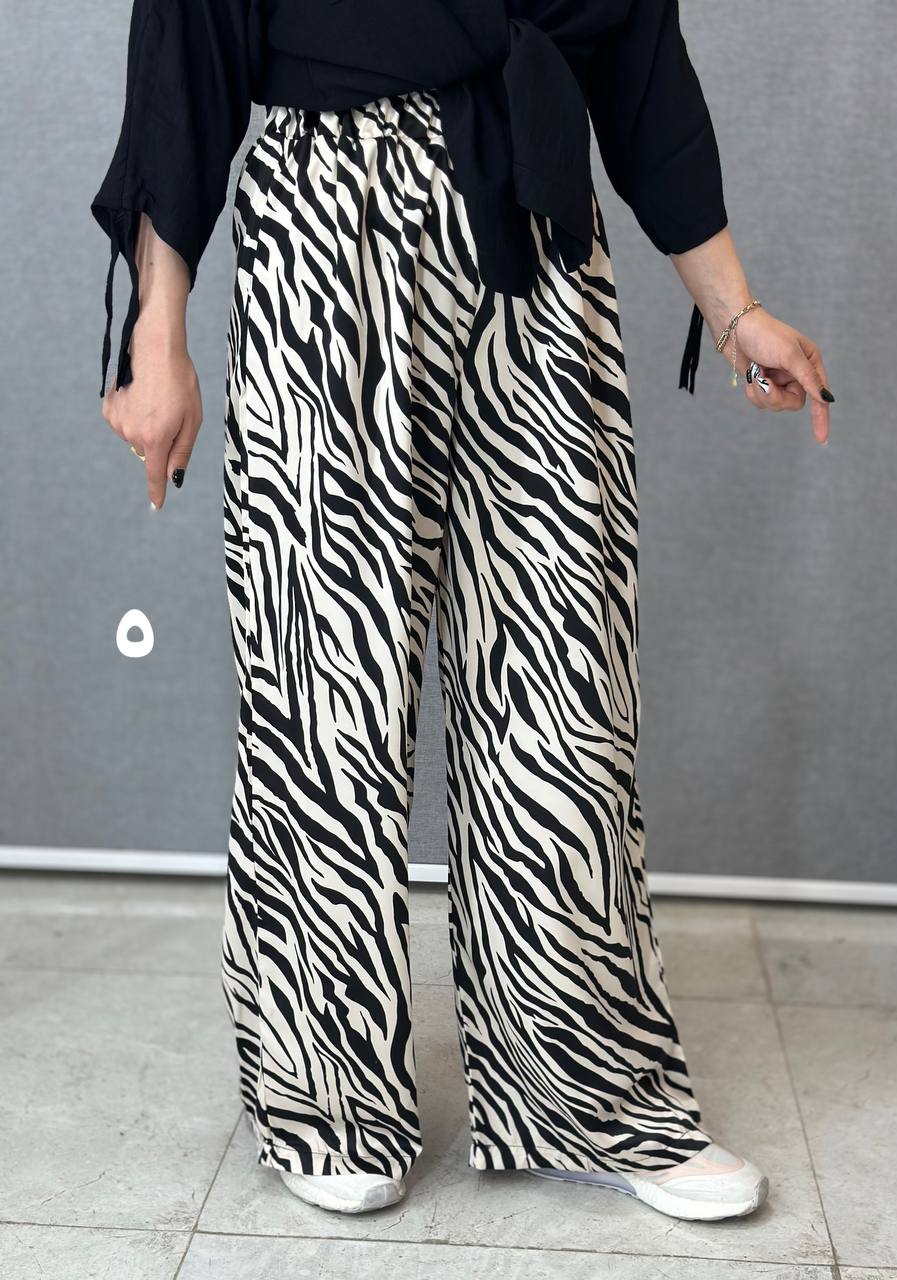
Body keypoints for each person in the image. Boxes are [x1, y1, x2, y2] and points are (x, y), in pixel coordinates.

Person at [91, 0, 832, 1223]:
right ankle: (325, 1096)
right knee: (326, 678)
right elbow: (190, 38)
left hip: (541, 241)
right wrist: (156, 330)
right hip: (329, 234)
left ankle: (592, 1090)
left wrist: (733, 308)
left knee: (565, 677)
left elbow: (638, 58)